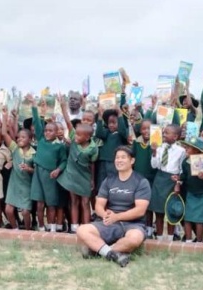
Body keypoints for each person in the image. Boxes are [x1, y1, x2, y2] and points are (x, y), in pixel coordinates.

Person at [76, 146, 151, 267]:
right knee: (82, 230)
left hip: (133, 224)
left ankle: (100, 250)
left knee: (134, 239)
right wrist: (104, 214)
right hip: (110, 222)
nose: (119, 160)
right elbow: (99, 204)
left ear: (132, 161)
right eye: (117, 158)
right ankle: (113, 253)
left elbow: (140, 211)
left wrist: (117, 216)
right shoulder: (109, 180)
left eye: (123, 157)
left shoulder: (141, 182)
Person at [58, 99, 99, 233]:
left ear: (87, 138)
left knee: (85, 202)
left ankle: (86, 228)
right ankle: (74, 227)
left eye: (79, 135)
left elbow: (92, 164)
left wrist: (92, 179)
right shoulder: (74, 139)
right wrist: (63, 106)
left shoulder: (93, 148)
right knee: (74, 201)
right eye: (75, 133)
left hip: (85, 177)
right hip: (71, 176)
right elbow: (68, 122)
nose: (75, 137)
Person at [30, 100, 67, 232]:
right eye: (46, 130)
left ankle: (52, 229)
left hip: (50, 176)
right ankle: (41, 227)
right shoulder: (41, 140)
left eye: (51, 131)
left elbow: (64, 161)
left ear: (57, 132)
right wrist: (35, 107)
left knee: (51, 203)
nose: (47, 133)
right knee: (40, 203)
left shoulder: (60, 146)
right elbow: (37, 123)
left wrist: (58, 170)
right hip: (38, 174)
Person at [150, 124, 187, 240]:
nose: (164, 135)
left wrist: (178, 184)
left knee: (171, 210)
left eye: (166, 133)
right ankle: (160, 238)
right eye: (163, 132)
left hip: (172, 180)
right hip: (159, 179)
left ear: (175, 136)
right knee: (159, 211)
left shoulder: (181, 151)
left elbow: (181, 169)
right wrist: (154, 152)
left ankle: (171, 238)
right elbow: (154, 165)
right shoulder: (160, 148)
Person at [178, 138, 203, 242]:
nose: (186, 149)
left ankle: (199, 242)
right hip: (191, 193)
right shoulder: (186, 162)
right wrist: (178, 180)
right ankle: (188, 240)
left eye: (189, 147)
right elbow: (184, 176)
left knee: (199, 220)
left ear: (196, 150)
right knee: (187, 218)